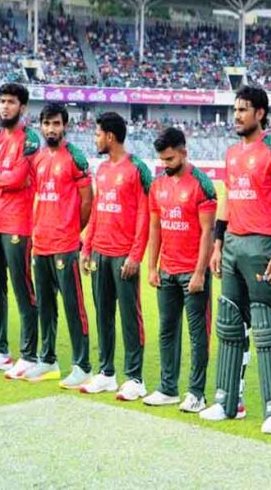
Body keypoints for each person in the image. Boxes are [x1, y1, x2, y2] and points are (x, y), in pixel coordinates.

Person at [201, 85, 271, 435]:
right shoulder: (231, 153)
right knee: (229, 323)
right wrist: (217, 245)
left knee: (266, 327)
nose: (237, 115)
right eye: (235, 109)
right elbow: (227, 200)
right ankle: (227, 401)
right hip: (232, 246)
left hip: (262, 245)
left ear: (260, 113)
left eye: (243, 109)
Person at [79, 112, 151, 401]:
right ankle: (106, 373)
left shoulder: (137, 168)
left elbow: (145, 214)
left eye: (97, 134)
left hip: (124, 256)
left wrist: (135, 255)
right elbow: (97, 210)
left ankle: (135, 378)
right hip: (100, 253)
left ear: (110, 136)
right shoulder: (102, 169)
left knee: (130, 317)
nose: (95, 138)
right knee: (103, 315)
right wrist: (87, 247)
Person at [144, 126, 216, 413]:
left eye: (170, 159)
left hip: (192, 273)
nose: (165, 164)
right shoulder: (157, 185)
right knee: (167, 331)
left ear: (184, 152)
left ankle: (196, 393)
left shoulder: (202, 184)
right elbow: (155, 227)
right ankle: (168, 388)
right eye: (162, 160)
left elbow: (208, 231)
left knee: (198, 335)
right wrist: (152, 267)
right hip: (167, 272)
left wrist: (199, 272)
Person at [0, 83, 41, 375]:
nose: (4, 106)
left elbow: (20, 178)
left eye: (11, 102)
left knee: (23, 289)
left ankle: (29, 354)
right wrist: (1, 180)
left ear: (22, 107)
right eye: (2, 101)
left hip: (18, 224)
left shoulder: (30, 139)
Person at [29, 103, 93, 386]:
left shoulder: (75, 157)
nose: (51, 129)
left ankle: (83, 365)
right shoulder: (39, 158)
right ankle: (47, 360)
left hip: (65, 244)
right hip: (40, 243)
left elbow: (87, 201)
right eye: (47, 123)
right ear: (41, 126)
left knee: (72, 306)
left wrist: (72, 230)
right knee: (45, 306)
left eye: (56, 123)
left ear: (65, 125)